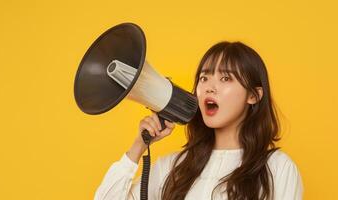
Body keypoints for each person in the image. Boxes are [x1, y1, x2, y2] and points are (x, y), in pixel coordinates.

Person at [93, 41, 304, 200]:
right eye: (204, 78)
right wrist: (137, 148)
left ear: (254, 96)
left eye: (226, 78)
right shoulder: (172, 167)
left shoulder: (277, 168)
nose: (210, 87)